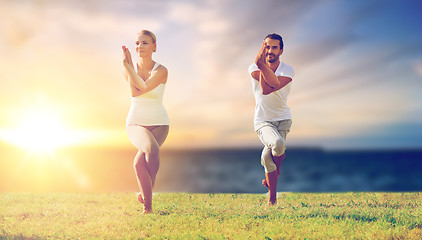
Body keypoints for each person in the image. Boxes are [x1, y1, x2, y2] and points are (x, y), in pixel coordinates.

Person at [122, 30, 169, 214]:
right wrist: (128, 67)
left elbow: (142, 87)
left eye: (145, 43)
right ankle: (147, 207)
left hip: (160, 123)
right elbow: (134, 93)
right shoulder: (129, 70)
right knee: (152, 149)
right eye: (137, 43)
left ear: (154, 46)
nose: (139, 47)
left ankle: (145, 195)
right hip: (136, 123)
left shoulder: (161, 70)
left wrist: (128, 66)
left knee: (138, 164)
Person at [248, 33, 295, 205]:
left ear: (281, 50)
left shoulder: (288, 70)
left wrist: (262, 64)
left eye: (274, 47)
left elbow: (271, 87)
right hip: (263, 121)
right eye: (266, 46)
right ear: (262, 47)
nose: (270, 51)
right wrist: (260, 63)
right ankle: (274, 188)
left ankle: (272, 196)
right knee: (277, 144)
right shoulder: (253, 67)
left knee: (268, 157)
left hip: (283, 120)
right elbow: (264, 88)